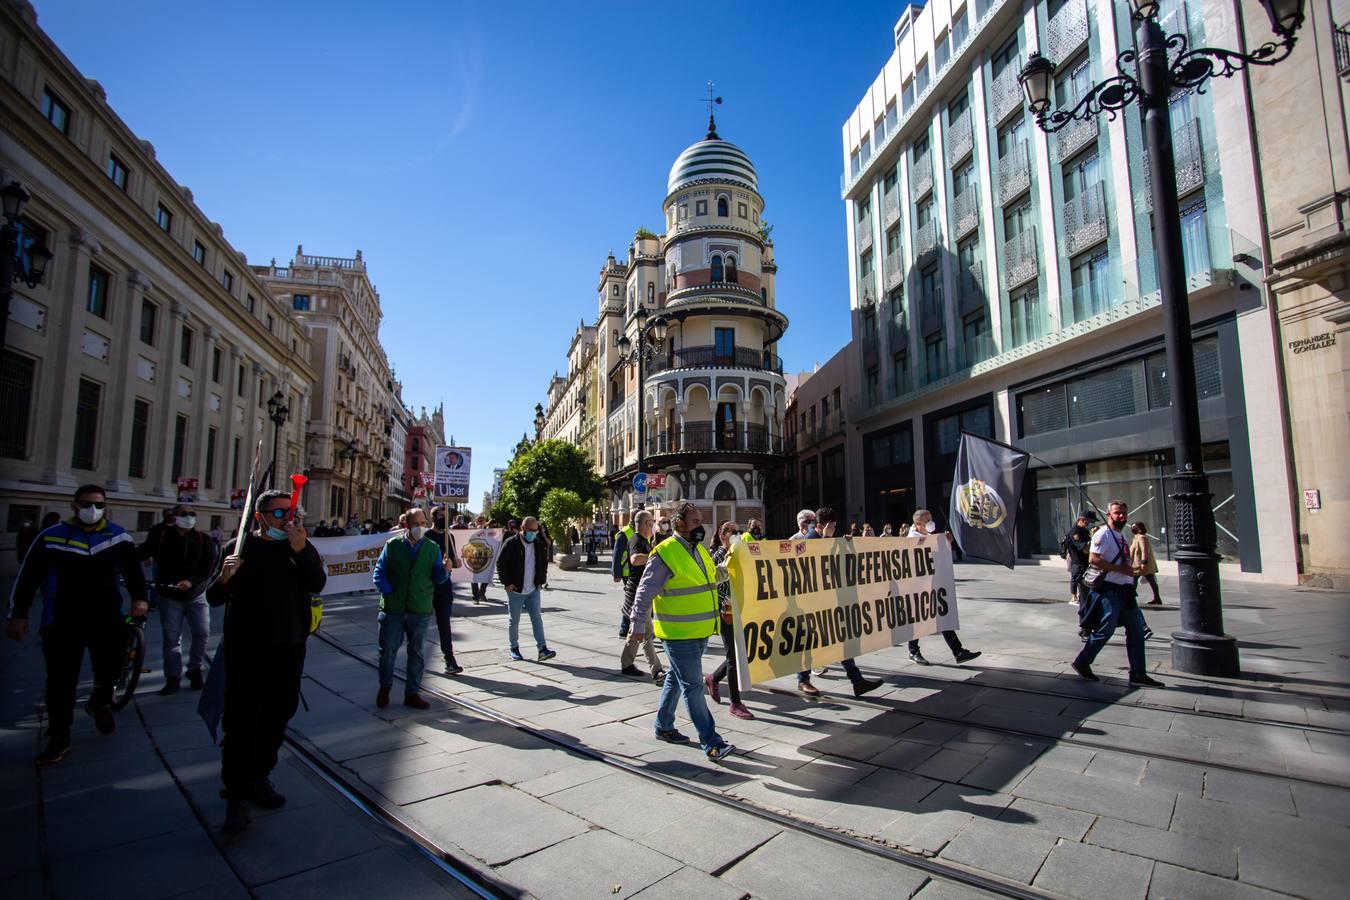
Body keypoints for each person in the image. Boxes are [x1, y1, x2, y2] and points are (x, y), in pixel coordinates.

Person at [208, 489, 326, 835]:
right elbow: (214, 597)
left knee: (279, 714)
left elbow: (317, 583)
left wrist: (302, 551)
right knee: (242, 721)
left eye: (292, 513)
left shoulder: (300, 546)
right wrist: (225, 577)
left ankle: (260, 776)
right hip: (247, 649)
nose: (288, 521)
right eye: (279, 514)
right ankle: (236, 794)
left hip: (289, 646)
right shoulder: (239, 547)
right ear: (259, 517)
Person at [7, 485, 148, 764]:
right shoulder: (52, 537)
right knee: (61, 680)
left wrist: (140, 599)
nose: (92, 510)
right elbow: (28, 577)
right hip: (62, 620)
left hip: (106, 617)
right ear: (74, 506)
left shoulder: (117, 536)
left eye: (98, 505)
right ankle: (60, 736)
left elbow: (134, 571)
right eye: (86, 504)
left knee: (111, 667)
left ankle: (99, 701)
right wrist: (18, 613)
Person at [630, 501, 734, 761]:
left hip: (699, 630)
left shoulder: (698, 550)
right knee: (693, 685)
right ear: (679, 524)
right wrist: (637, 624)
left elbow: (710, 578)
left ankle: (663, 726)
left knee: (675, 679)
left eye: (701, 520)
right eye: (696, 522)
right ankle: (711, 742)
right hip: (677, 633)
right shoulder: (665, 551)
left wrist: (733, 566)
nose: (702, 526)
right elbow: (645, 591)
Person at [791, 508, 884, 698]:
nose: (834, 528)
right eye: (832, 525)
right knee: (808, 642)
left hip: (828, 600)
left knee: (841, 640)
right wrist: (826, 541)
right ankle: (803, 680)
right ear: (820, 526)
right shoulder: (809, 540)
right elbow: (811, 566)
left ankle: (857, 681)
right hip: (812, 603)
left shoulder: (826, 539)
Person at [1072, 500, 1162, 686]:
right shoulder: (1104, 534)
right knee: (1105, 630)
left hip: (1126, 592)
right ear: (1108, 514)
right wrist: (1120, 569)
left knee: (1137, 632)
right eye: (1117, 513)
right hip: (1110, 591)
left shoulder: (1120, 536)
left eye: (1123, 513)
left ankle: (1138, 673)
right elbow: (1093, 559)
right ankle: (1082, 662)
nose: (1121, 516)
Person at [373, 508, 454, 707]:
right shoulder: (392, 545)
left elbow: (438, 578)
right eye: (416, 524)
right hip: (393, 608)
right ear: (407, 525)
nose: (420, 527)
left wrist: (446, 570)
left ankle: (412, 693)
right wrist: (388, 591)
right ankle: (385, 687)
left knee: (417, 652)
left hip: (419, 608)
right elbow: (379, 571)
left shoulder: (432, 547)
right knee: (388, 652)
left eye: (422, 523)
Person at [144, 503, 218, 694]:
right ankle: (173, 677)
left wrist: (191, 582)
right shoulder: (161, 537)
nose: (189, 517)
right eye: (184, 514)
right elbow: (140, 553)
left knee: (201, 633)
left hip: (196, 595)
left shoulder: (203, 539)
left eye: (192, 514)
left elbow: (208, 568)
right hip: (169, 596)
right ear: (174, 517)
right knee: (171, 638)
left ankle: (195, 669)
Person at [905, 509, 981, 666]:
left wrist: (947, 541)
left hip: (934, 585)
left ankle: (958, 652)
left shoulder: (931, 536)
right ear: (918, 524)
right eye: (927, 521)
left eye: (931, 519)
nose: (931, 523)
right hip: (917, 588)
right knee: (918, 620)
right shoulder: (911, 539)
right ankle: (913, 652)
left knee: (943, 616)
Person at [705, 520, 753, 720]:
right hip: (726, 612)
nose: (737, 534)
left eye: (739, 531)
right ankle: (735, 703)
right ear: (722, 535)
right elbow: (716, 582)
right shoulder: (718, 555)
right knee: (734, 657)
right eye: (732, 531)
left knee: (745, 655)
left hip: (742, 609)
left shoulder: (742, 552)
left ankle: (713, 678)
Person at [496, 516, 556, 661]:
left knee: (537, 618)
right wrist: (507, 583)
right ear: (523, 528)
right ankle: (514, 648)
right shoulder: (511, 543)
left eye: (536, 531)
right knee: (514, 620)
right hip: (516, 589)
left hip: (533, 589)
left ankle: (542, 649)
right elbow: (500, 564)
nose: (534, 534)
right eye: (531, 531)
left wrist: (540, 581)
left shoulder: (537, 543)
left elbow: (543, 564)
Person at [620, 511, 666, 683]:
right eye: (651, 522)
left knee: (635, 632)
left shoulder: (645, 541)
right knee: (647, 634)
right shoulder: (636, 540)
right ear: (645, 523)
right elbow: (634, 559)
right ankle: (657, 670)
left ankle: (626, 663)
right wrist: (653, 557)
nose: (652, 525)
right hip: (637, 594)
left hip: (642, 592)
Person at [427, 508, 464, 675]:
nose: (445, 518)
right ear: (434, 517)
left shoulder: (449, 536)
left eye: (446, 516)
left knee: (444, 622)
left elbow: (453, 560)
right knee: (418, 622)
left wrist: (455, 563)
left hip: (444, 585)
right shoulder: (426, 536)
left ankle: (449, 659)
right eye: (441, 516)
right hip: (426, 586)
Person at [1062, 510, 1098, 606]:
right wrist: (1094, 537)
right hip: (1080, 564)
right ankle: (1075, 598)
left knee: (1089, 593)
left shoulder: (1084, 531)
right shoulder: (1075, 532)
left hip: (1087, 564)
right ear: (1081, 520)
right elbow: (1085, 550)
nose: (1091, 524)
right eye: (1089, 522)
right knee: (1083, 592)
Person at [612, 518, 636, 638]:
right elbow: (617, 555)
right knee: (632, 599)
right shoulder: (624, 533)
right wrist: (616, 573)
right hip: (628, 573)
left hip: (640, 571)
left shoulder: (643, 532)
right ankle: (625, 628)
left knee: (635, 599)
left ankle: (629, 628)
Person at [1130, 522, 1162, 605]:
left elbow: (1144, 550)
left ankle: (1131, 598)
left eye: (1134, 527)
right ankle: (1157, 598)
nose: (1132, 528)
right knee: (1151, 580)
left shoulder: (1141, 537)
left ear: (1140, 528)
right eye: (1132, 527)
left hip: (1140, 564)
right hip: (1138, 564)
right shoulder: (1136, 537)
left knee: (1134, 580)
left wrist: (1144, 562)